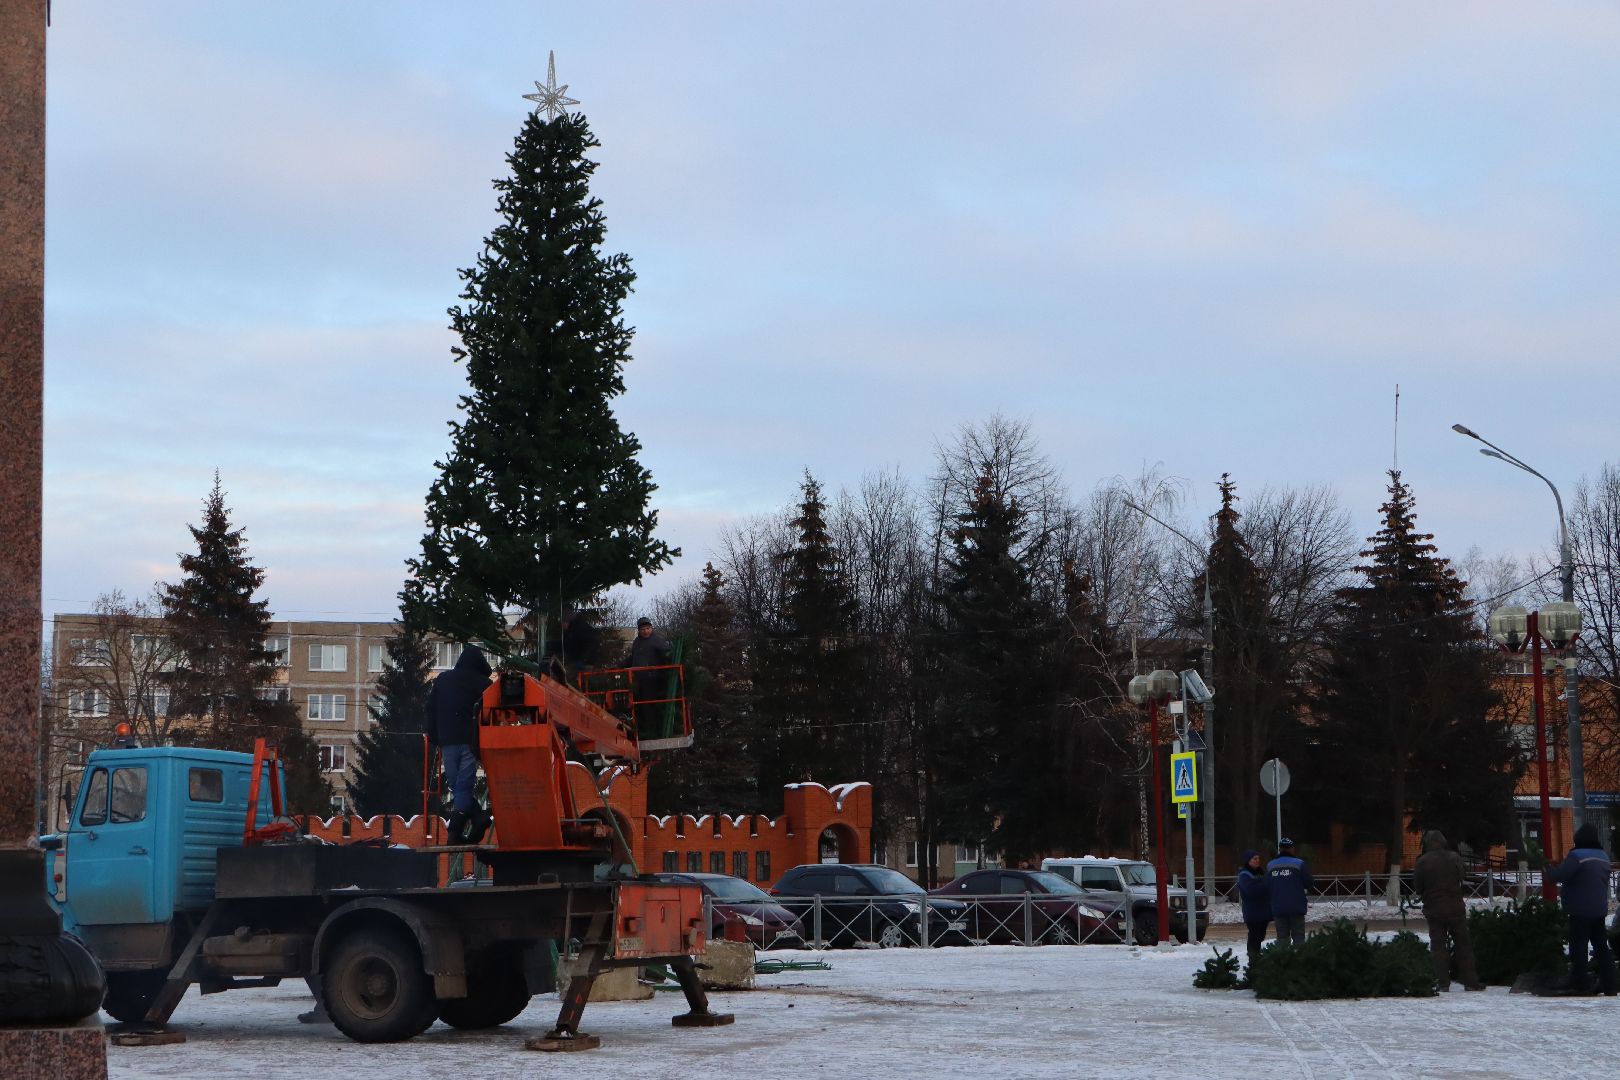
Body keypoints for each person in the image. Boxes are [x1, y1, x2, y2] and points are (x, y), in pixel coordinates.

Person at [425, 644, 493, 844]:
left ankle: (465, 826)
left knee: (457, 785)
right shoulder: (484, 684)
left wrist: (435, 736)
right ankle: (460, 829)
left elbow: (430, 708)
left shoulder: (443, 680)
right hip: (470, 742)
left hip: (447, 742)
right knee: (462, 785)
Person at [1545, 822, 1618, 996]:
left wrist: (1547, 867)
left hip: (1579, 908)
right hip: (1599, 909)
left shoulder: (1577, 856)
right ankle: (1610, 985)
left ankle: (1579, 981)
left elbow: (1560, 876)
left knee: (1578, 946)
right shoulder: (1603, 856)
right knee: (1601, 947)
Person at [1412, 829, 1485, 992]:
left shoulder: (1422, 862)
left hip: (1434, 909)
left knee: (1438, 946)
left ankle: (1443, 982)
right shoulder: (1454, 858)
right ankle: (1471, 982)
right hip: (1455, 908)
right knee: (1463, 945)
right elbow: (1462, 876)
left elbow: (1418, 886)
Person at [623, 617, 674, 735]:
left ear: (651, 628)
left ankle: (651, 730)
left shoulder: (657, 641)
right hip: (638, 679)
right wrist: (620, 665)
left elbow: (667, 656)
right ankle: (640, 728)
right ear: (639, 630)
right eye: (643, 629)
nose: (646, 631)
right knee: (638, 705)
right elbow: (632, 658)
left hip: (652, 678)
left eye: (648, 628)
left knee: (649, 705)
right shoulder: (637, 642)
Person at [1266, 838, 1311, 946]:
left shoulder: (1270, 865)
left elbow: (1266, 885)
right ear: (1292, 849)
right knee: (1298, 937)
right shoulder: (1299, 864)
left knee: (1282, 938)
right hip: (1296, 907)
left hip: (1278, 907)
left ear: (1280, 849)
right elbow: (1309, 882)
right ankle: (1299, 961)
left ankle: (1283, 961)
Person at [1236, 849, 1271, 962]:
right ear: (1248, 861)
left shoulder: (1262, 873)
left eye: (1258, 858)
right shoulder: (1244, 874)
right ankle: (1253, 958)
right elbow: (1251, 891)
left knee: (1260, 935)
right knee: (1254, 936)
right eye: (1254, 859)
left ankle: (1256, 957)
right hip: (1252, 911)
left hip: (1264, 911)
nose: (1257, 861)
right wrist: (1265, 885)